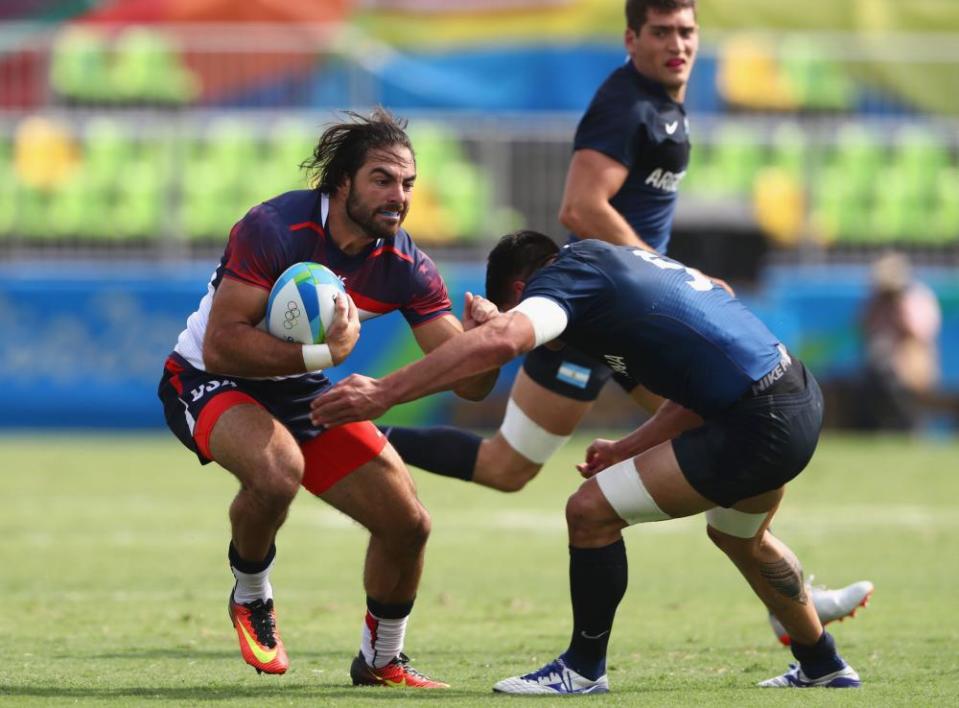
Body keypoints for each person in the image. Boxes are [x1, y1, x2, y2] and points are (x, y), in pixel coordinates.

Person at [379, 0, 871, 645]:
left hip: (623, 319)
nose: (678, 44)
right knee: (524, 463)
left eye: (687, 31)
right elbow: (582, 208)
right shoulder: (628, 104)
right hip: (603, 316)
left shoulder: (664, 104)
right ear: (630, 38)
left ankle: (791, 606)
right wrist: (665, 277)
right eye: (661, 32)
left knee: (721, 433)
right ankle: (359, 433)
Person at [311, 231, 865, 693]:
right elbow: (697, 381)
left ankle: (581, 669)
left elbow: (506, 337)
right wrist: (628, 447)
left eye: (516, 304)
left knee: (589, 513)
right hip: (792, 395)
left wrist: (382, 392)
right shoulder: (613, 267)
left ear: (523, 290)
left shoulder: (566, 281)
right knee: (741, 537)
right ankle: (823, 664)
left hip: (757, 422)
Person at [157, 108, 495, 688]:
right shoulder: (274, 227)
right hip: (205, 378)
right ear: (343, 182)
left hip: (300, 390)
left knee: (407, 522)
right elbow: (221, 346)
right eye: (382, 180)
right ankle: (251, 595)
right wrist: (324, 357)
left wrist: (491, 342)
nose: (399, 196)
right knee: (277, 472)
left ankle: (382, 659)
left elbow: (468, 381)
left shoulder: (406, 265)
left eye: (408, 183)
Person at [857, 252, 942, 431]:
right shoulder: (877, 301)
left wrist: (900, 311)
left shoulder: (918, 297)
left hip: (913, 362)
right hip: (881, 365)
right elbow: (867, 330)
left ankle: (910, 427)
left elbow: (921, 335)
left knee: (896, 378)